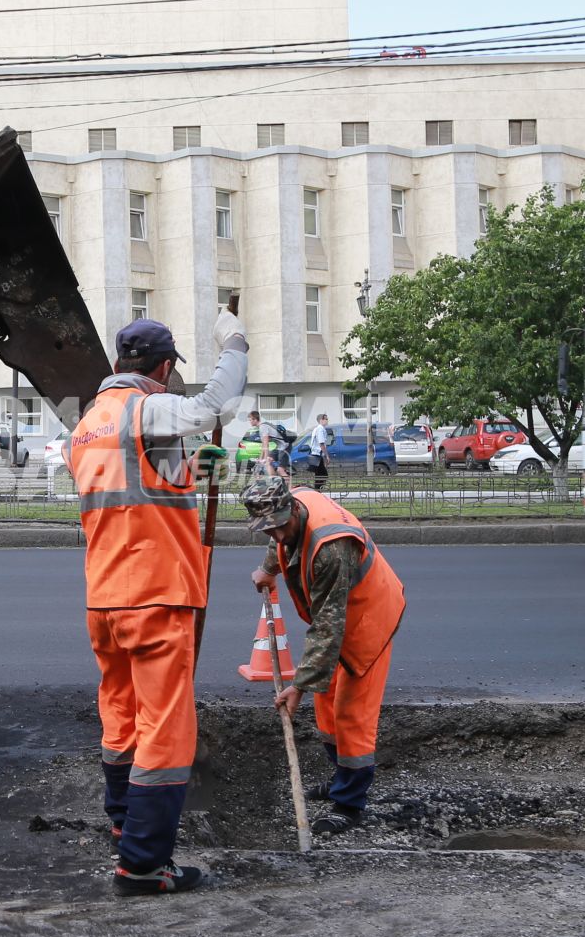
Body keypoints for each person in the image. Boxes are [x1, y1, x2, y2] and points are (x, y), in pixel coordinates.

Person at [69, 308, 248, 895]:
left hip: (106, 599)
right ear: (164, 369)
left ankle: (124, 824)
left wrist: (191, 468)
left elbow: (136, 487)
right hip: (154, 598)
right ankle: (144, 865)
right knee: (166, 729)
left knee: (120, 716)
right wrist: (234, 345)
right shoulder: (147, 407)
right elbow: (214, 407)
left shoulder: (89, 423)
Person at [242, 473, 407, 837]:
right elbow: (281, 541)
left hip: (368, 619)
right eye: (268, 530)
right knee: (326, 705)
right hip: (337, 617)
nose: (277, 536)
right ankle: (340, 780)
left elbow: (328, 629)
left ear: (293, 510)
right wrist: (269, 569)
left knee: (351, 713)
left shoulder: (332, 548)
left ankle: (349, 803)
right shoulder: (291, 507)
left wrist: (296, 687)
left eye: (280, 527)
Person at [305, 413, 331, 478]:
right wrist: (326, 456)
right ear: (321, 420)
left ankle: (318, 487)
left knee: (319, 474)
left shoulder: (316, 429)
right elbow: (321, 443)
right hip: (318, 455)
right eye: (326, 419)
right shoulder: (320, 429)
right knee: (323, 475)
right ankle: (318, 488)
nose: (327, 420)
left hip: (315, 454)